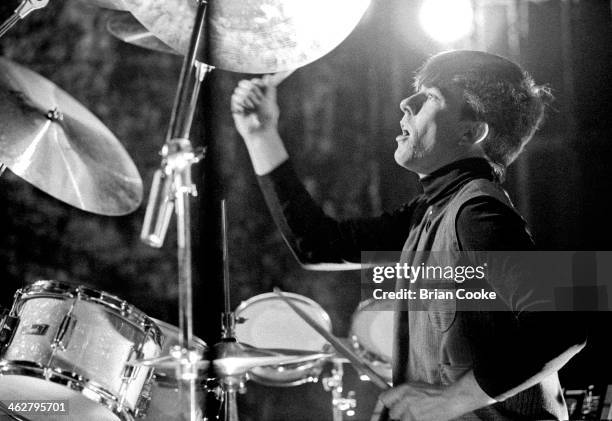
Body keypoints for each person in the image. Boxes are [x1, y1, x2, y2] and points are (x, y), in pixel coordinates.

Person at [230, 50, 586, 420]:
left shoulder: (478, 211)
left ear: (471, 132)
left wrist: (451, 400)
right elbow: (317, 244)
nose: (406, 103)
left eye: (431, 97)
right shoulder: (429, 212)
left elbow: (564, 323)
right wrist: (260, 134)